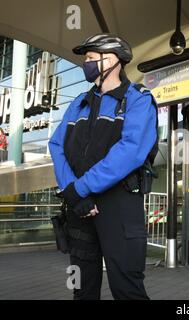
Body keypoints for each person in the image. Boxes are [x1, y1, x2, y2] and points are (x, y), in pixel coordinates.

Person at [48, 34, 158, 300]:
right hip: (79, 208)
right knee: (80, 287)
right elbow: (56, 145)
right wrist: (73, 191)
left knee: (127, 288)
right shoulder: (78, 103)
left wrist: (81, 188)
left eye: (90, 58)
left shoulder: (138, 100)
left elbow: (130, 152)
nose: (85, 63)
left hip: (118, 206)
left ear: (111, 60)